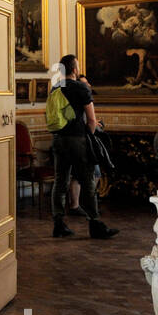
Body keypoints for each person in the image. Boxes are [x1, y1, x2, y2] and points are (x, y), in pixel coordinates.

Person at [51, 53, 119, 240]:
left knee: (60, 181)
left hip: (58, 139)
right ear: (74, 69)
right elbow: (91, 119)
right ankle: (95, 224)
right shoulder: (81, 88)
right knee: (88, 179)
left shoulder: (55, 87)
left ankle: (58, 223)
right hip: (77, 139)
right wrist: (90, 134)